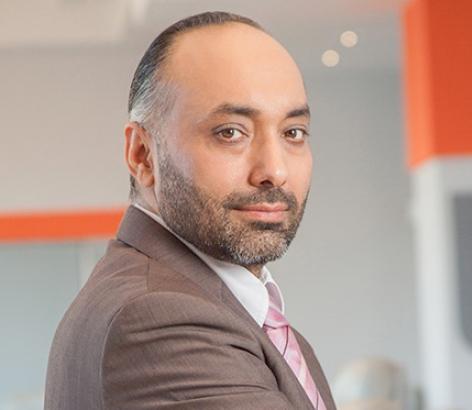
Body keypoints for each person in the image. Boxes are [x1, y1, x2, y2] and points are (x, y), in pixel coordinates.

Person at [44, 11, 334, 410]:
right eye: (230, 133)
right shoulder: (160, 319)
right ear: (143, 154)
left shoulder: (238, 311)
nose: (275, 171)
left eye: (293, 133)